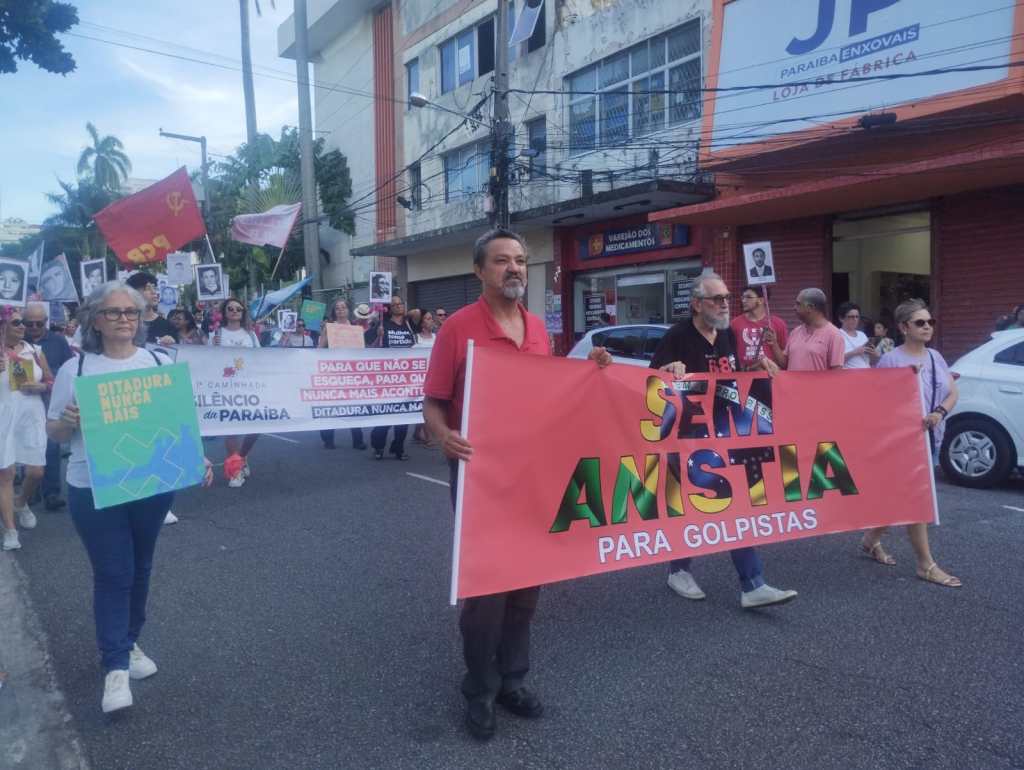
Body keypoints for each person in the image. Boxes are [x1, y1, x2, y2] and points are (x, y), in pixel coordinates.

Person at [424, 227, 611, 741]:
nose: (514, 269)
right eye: (502, 261)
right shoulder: (456, 329)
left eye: (521, 261)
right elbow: (434, 401)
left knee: (527, 584)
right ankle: (479, 690)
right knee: (486, 591)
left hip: (532, 473)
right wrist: (444, 435)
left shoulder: (537, 330)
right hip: (479, 474)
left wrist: (591, 373)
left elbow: (549, 395)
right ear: (479, 271)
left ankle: (513, 680)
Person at [46, 281, 213, 712]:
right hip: (92, 487)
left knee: (140, 568)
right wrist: (67, 420)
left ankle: (130, 641)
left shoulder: (158, 361)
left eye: (131, 313)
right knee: (113, 572)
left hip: (152, 486)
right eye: (114, 312)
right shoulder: (76, 371)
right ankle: (115, 668)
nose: (124, 319)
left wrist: (199, 457)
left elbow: (180, 419)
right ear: (95, 320)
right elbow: (54, 432)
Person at [649, 273, 797, 609]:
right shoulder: (678, 336)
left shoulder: (727, 335)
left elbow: (731, 377)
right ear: (697, 304)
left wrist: (756, 366)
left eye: (727, 298)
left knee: (735, 504)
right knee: (693, 505)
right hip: (688, 437)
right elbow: (650, 381)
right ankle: (679, 569)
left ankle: (752, 584)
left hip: (727, 433)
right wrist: (667, 370)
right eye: (717, 299)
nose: (724, 304)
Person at [860, 298, 961, 588]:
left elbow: (952, 393)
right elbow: (877, 404)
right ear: (904, 327)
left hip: (930, 436)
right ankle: (926, 565)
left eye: (930, 322)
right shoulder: (892, 360)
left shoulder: (935, 357)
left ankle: (870, 540)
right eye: (920, 322)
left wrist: (939, 413)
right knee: (917, 499)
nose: (927, 326)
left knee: (897, 496)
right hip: (903, 443)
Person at [1, 308, 53, 550]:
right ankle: (10, 530)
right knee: (6, 473)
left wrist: (39, 387)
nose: (24, 326)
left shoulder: (34, 351)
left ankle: (20, 502)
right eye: (17, 322)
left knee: (36, 472)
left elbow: (50, 381)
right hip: (3, 416)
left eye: (23, 322)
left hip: (31, 415)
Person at [22, 302, 74, 510]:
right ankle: (31, 489)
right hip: (25, 399)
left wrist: (51, 383)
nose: (34, 327)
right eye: (29, 323)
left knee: (51, 446)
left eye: (38, 323)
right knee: (27, 443)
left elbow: (69, 366)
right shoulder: (17, 340)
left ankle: (51, 493)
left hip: (52, 398)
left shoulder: (58, 340)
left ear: (46, 322)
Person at [208, 298, 260, 487]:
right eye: (230, 308)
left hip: (249, 385)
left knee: (257, 426)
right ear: (225, 312)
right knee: (231, 428)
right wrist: (213, 347)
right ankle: (235, 470)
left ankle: (242, 457)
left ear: (243, 312)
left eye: (239, 308)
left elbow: (261, 358)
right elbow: (208, 359)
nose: (235, 311)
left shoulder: (251, 335)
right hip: (226, 386)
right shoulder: (217, 334)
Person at [371, 295, 416, 460]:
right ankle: (378, 446)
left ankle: (398, 448)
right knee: (386, 414)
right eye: (394, 305)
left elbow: (418, 312)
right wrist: (378, 334)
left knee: (403, 416)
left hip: (405, 377)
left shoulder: (409, 324)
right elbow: (369, 344)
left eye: (400, 304)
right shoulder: (383, 324)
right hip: (387, 377)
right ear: (389, 309)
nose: (398, 307)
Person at [319, 299, 367, 451]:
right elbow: (320, 348)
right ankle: (328, 439)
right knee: (331, 406)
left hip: (351, 372)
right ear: (334, 312)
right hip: (333, 372)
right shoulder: (329, 328)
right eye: (337, 308)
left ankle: (358, 440)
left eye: (343, 307)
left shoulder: (355, 328)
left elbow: (362, 349)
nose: (340, 310)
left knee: (354, 407)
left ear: (348, 310)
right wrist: (326, 335)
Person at [768, 288, 845, 371]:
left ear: (810, 307)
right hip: (792, 384)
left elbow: (837, 373)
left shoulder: (834, 335)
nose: (794, 307)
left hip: (818, 384)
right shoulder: (795, 332)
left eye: (798, 304)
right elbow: (784, 364)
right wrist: (774, 343)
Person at [732, 285, 787, 370]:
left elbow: (784, 363)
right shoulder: (735, 324)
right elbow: (730, 357)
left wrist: (774, 343)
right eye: (743, 297)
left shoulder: (778, 324)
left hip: (771, 377)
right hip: (744, 377)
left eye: (748, 297)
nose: (743, 300)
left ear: (761, 300)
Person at [125, 272, 177, 345]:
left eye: (155, 288)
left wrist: (172, 344)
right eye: (148, 288)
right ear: (133, 293)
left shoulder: (167, 326)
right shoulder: (124, 324)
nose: (154, 292)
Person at [412, 311, 437, 445]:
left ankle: (421, 433)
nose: (431, 321)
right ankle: (424, 434)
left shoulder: (436, 337)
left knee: (429, 403)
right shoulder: (415, 338)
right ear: (421, 322)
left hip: (433, 375)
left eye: (431, 318)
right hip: (419, 377)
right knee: (421, 404)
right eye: (427, 319)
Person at [837, 302, 879, 369]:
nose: (855, 319)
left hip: (867, 374)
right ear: (841, 318)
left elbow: (872, 362)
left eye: (857, 317)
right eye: (851, 317)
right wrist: (854, 352)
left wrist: (874, 355)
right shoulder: (837, 335)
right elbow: (835, 361)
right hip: (849, 376)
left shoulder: (862, 335)